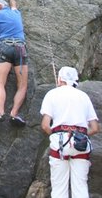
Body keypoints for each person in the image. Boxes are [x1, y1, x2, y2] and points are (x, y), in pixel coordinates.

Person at [40, 66, 99, 198]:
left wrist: (55, 134)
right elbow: (95, 128)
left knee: (59, 188)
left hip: (59, 144)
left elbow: (45, 125)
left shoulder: (52, 94)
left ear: (60, 79)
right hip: (81, 144)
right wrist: (79, 135)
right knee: (80, 187)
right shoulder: (84, 96)